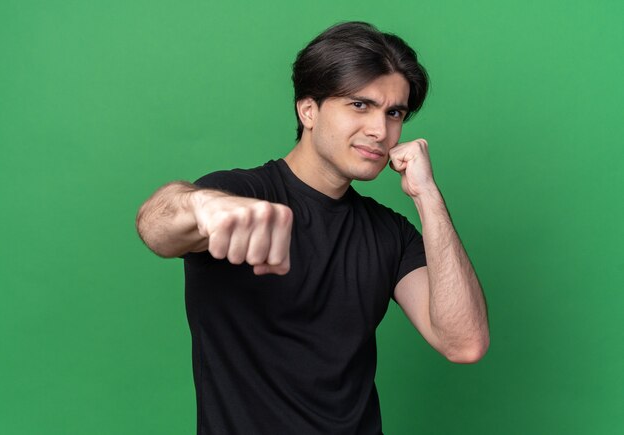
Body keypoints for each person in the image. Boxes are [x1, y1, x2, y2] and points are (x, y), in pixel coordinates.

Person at [136, 21, 489, 435]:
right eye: (360, 105)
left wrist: (428, 196)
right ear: (309, 110)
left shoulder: (389, 233)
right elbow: (155, 227)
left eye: (394, 113)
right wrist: (200, 204)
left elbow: (464, 343)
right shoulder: (238, 196)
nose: (381, 131)